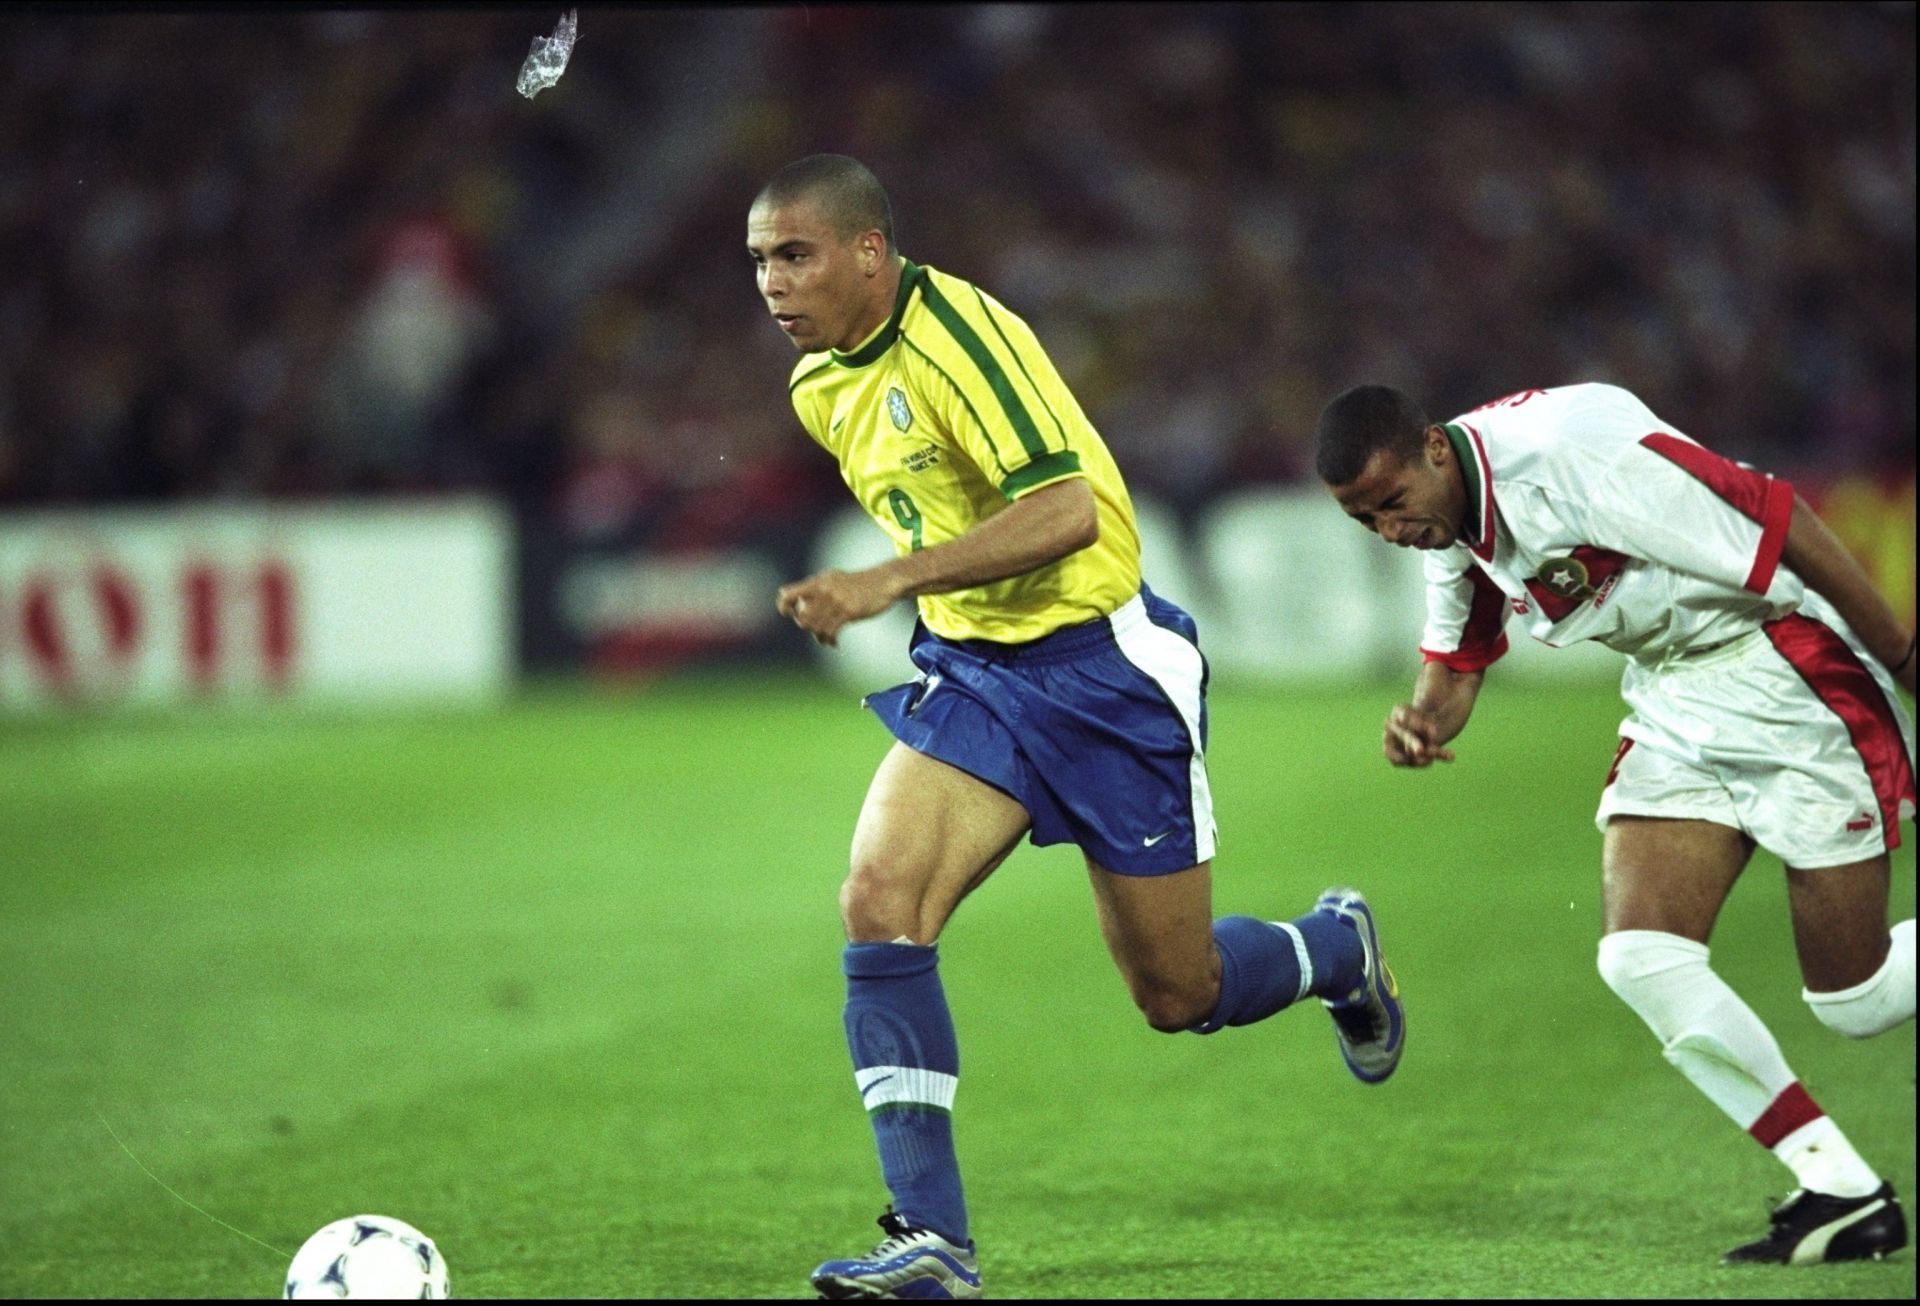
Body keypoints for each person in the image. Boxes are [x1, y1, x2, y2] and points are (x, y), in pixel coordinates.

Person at [749, 153, 1405, 1301]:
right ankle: (934, 1242)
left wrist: (883, 581)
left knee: (1178, 993)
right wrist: (926, 602)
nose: (771, 280)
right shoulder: (818, 385)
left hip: (1108, 672)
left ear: (868, 250)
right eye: (758, 259)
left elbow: (1067, 511)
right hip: (976, 675)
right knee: (879, 902)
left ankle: (1336, 949)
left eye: (793, 253)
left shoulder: (960, 335)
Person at [1313, 381, 1916, 1267]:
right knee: (1641, 955)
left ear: (1434, 451)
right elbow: (1457, 661)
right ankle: (1840, 1187)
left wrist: (1902, 655)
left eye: (1393, 505)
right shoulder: (1451, 523)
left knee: (1855, 1001)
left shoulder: (1570, 453)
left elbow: (1782, 520)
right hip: (1674, 696)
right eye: (1367, 522)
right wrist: (1422, 721)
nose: (1391, 533)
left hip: (1787, 667)